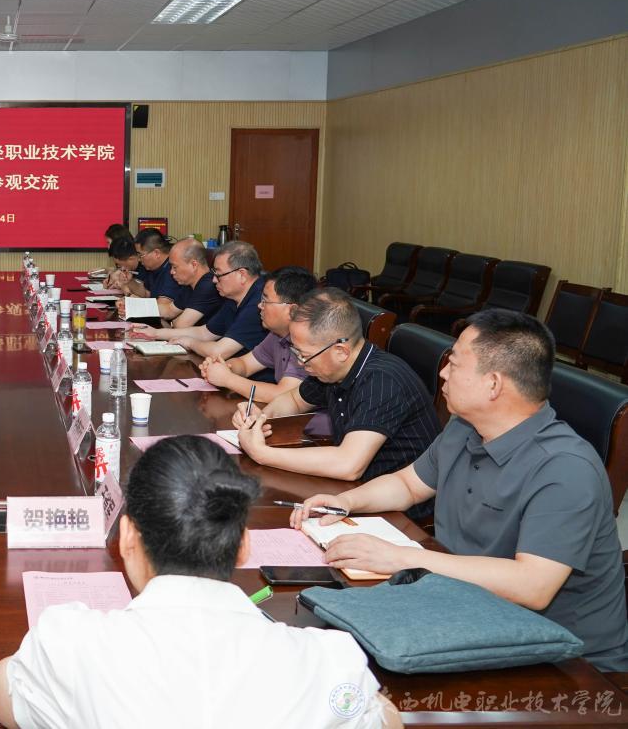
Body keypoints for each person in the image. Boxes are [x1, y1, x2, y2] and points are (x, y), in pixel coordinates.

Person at [291, 310, 628, 671]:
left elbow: (532, 585)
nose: (443, 373)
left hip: (565, 663)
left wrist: (402, 557)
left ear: (493, 384)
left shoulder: (565, 469)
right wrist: (345, 502)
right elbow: (408, 484)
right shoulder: (465, 427)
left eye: (454, 363)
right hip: (468, 612)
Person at [0, 435, 400, 729]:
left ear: (127, 538)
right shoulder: (327, 665)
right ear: (244, 546)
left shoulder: (69, 646)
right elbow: (383, 718)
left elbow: (3, 690)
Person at [234, 288, 439, 500]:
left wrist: (262, 454)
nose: (300, 364)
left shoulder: (382, 381)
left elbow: (348, 465)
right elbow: (294, 400)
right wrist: (261, 419)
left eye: (303, 355)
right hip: (354, 492)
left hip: (396, 506)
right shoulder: (331, 368)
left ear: (340, 351)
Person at [200, 265, 319, 402]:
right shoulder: (277, 334)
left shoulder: (309, 342)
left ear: (292, 310)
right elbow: (245, 364)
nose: (259, 306)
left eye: (265, 301)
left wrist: (227, 379)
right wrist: (222, 368)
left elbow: (283, 394)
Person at [142, 240, 267, 359]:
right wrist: (154, 333)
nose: (214, 279)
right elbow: (204, 332)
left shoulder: (259, 304)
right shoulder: (233, 298)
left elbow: (219, 351)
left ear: (242, 275)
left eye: (218, 274)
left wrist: (190, 343)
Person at [124, 239, 222, 326]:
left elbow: (180, 325)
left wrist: (170, 322)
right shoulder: (190, 284)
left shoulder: (208, 285)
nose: (171, 272)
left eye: (175, 267)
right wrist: (133, 307)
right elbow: (169, 311)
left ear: (194, 265)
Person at [112, 229, 180, 303]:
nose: (139, 259)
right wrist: (130, 281)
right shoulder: (153, 268)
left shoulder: (172, 269)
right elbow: (146, 293)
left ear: (156, 253)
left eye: (141, 255)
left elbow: (163, 305)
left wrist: (129, 296)